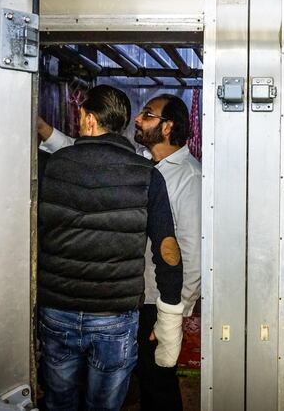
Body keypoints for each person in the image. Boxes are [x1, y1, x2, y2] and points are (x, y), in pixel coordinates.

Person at [39, 92, 201, 411]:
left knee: (157, 381)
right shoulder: (144, 166)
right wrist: (45, 130)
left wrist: (174, 316)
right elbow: (87, 154)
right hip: (124, 300)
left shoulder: (188, 177)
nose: (139, 121)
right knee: (120, 386)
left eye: (148, 115)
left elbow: (189, 252)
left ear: (167, 127)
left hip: (155, 298)